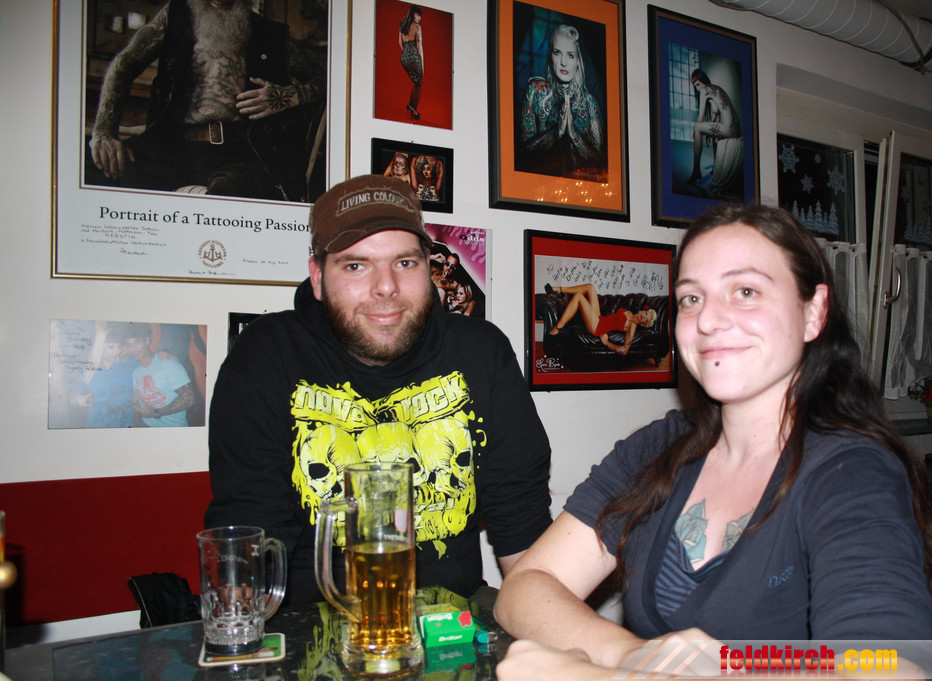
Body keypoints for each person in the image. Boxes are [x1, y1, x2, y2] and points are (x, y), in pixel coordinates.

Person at [495, 204, 932, 680]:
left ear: (813, 313)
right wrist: (628, 657)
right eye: (691, 298)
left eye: (745, 291)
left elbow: (894, 670)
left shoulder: (851, 472)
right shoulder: (657, 448)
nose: (708, 320)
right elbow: (527, 585)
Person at [205, 175, 552, 606]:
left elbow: (522, 530)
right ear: (318, 277)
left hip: (451, 620)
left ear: (429, 268)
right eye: (356, 265)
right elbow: (250, 536)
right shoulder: (266, 354)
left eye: (404, 263)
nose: (386, 287)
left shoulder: (481, 351)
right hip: (307, 624)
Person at [86, 0, 327, 201]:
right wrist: (104, 132)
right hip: (171, 149)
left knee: (230, 191)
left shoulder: (268, 32)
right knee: (94, 166)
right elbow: (125, 63)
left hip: (239, 153)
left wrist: (290, 96)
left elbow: (326, 77)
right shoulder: (175, 16)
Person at [518, 24, 605, 181]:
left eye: (570, 55)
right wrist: (556, 133)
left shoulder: (589, 103)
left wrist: (573, 135)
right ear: (550, 56)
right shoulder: (535, 91)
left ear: (578, 60)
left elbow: (599, 162)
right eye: (557, 52)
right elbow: (524, 152)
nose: (563, 62)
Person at [544, 283, 657, 356]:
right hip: (600, 319)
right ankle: (559, 290)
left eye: (646, 319)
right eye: (646, 314)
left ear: (644, 323)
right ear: (643, 311)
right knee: (590, 287)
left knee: (579, 297)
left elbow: (624, 351)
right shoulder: (630, 313)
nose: (644, 316)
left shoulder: (632, 327)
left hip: (597, 327)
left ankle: (558, 327)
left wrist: (607, 343)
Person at [126, 323, 197, 428]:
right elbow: (136, 401)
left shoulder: (167, 362)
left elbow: (189, 399)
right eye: (129, 345)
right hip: (147, 425)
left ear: (147, 341)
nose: (133, 348)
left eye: (137, 342)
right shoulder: (136, 372)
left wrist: (156, 412)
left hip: (173, 428)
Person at [687, 69, 743, 198]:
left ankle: (696, 171)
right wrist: (710, 130)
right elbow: (719, 115)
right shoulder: (717, 88)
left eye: (698, 85)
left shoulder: (705, 90)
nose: (697, 89)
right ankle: (715, 168)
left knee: (697, 127)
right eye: (695, 86)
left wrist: (696, 132)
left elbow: (700, 118)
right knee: (713, 133)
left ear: (703, 81)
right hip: (735, 128)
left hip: (728, 128)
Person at [71, 323, 138, 428]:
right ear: (100, 346)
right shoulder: (89, 371)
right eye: (111, 347)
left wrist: (163, 352)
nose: (116, 351)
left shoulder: (129, 363)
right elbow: (73, 399)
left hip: (125, 426)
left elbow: (148, 358)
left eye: (119, 346)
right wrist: (79, 401)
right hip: (98, 427)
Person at [399, 5, 424, 120]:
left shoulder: (403, 25)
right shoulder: (417, 28)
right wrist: (422, 64)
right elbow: (419, 47)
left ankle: (410, 105)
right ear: (412, 14)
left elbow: (400, 43)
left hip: (404, 58)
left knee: (416, 82)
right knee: (419, 83)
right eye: (417, 15)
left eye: (420, 16)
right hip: (414, 57)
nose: (419, 18)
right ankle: (414, 110)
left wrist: (406, 54)